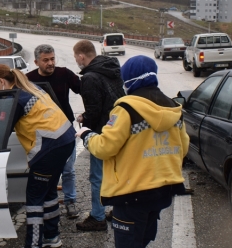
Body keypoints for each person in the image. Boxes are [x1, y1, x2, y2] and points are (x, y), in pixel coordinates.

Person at [76, 55, 189, 247]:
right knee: (142, 240)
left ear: (129, 79)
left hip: (132, 193)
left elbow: (105, 148)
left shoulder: (126, 110)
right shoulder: (172, 108)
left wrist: (87, 135)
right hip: (162, 191)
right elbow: (183, 147)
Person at [0, 64, 75, 248]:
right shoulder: (30, 88)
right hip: (65, 141)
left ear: (1, 82)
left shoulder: (15, 98)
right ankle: (52, 237)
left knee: (34, 199)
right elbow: (4, 119)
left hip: (49, 148)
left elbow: (5, 128)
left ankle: (33, 244)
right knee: (48, 192)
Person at [72, 39, 125, 231]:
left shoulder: (89, 78)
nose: (77, 61)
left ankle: (98, 216)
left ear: (81, 56)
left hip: (102, 133)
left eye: (76, 57)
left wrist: (85, 125)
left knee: (97, 177)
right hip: (120, 129)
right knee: (117, 174)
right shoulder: (113, 68)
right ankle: (118, 210)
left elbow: (94, 111)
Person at [26, 44, 82, 219]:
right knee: (45, 171)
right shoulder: (29, 80)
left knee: (68, 169)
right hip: (42, 135)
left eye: (52, 59)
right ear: (36, 62)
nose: (50, 63)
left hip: (66, 131)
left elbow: (86, 90)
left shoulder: (64, 74)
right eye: (46, 60)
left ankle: (70, 201)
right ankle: (46, 202)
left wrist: (89, 112)